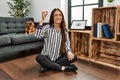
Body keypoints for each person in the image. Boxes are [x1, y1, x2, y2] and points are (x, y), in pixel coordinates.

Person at [34, 8, 78, 73]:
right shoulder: (47, 27)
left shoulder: (65, 30)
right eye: (56, 15)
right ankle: (64, 68)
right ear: (52, 17)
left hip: (58, 57)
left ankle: (47, 67)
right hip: (46, 57)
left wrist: (69, 52)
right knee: (39, 57)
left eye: (60, 15)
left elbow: (67, 43)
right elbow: (37, 35)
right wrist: (42, 19)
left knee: (74, 57)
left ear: (62, 17)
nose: (58, 17)